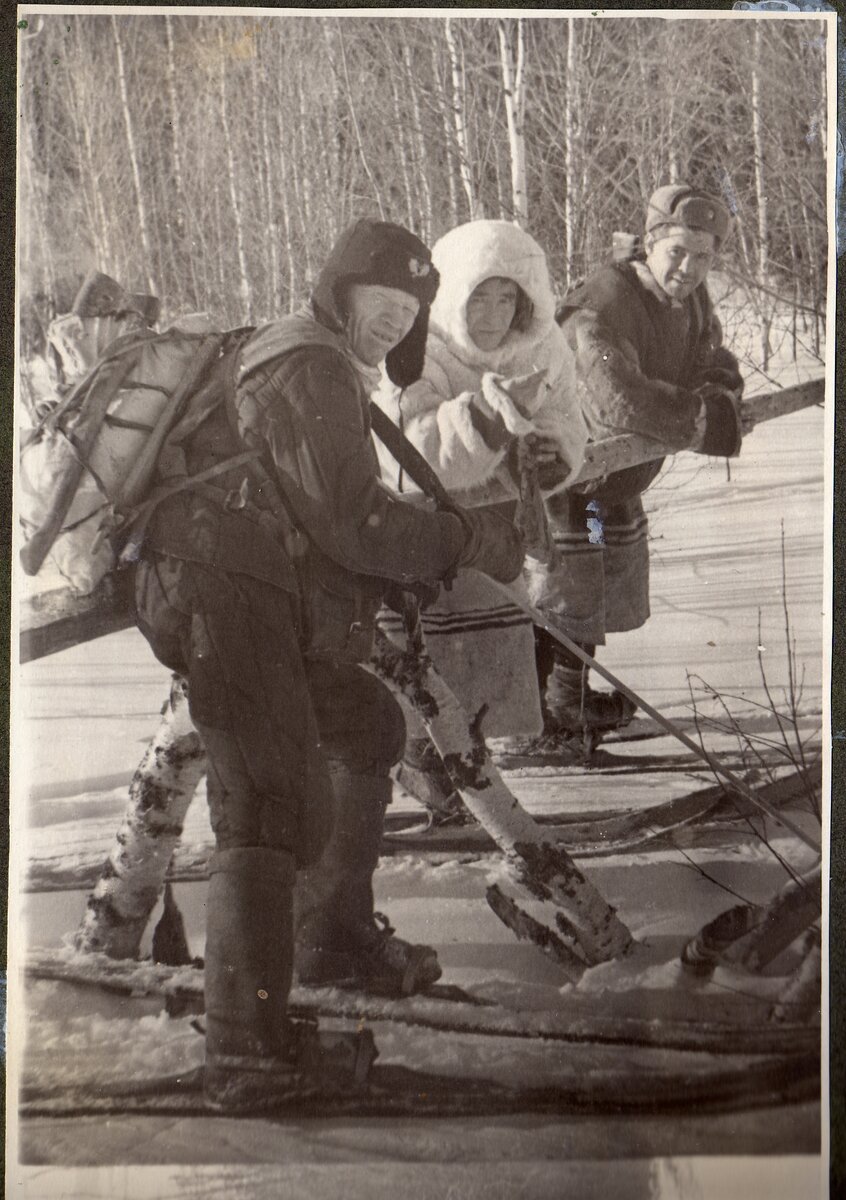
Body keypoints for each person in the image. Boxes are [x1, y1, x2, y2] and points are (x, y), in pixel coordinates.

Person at [133, 218, 524, 1110]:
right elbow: (355, 521)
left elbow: (323, 515)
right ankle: (246, 1047)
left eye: (408, 311)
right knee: (268, 798)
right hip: (221, 598)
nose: (394, 322)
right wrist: (472, 539)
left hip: (256, 591)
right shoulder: (303, 365)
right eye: (383, 303)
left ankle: (331, 938)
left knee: (363, 723)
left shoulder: (321, 365)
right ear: (342, 291)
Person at [372, 218, 587, 803]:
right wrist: (485, 423)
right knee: (429, 650)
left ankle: (472, 759)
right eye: (478, 298)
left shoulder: (544, 346)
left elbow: (570, 419)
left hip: (495, 534)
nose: (491, 316)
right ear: (452, 295)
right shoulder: (420, 348)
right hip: (425, 533)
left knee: (490, 650)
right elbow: (411, 447)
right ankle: (419, 759)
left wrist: (553, 455)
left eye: (506, 298)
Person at [529, 183, 747, 755]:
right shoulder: (604, 300)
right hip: (567, 478)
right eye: (678, 251)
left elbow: (711, 353)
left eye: (703, 256)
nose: (690, 268)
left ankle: (568, 697)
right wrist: (699, 419)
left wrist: (720, 391)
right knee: (559, 590)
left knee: (591, 587)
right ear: (650, 242)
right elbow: (613, 396)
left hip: (610, 487)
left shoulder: (689, 299)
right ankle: (535, 714)